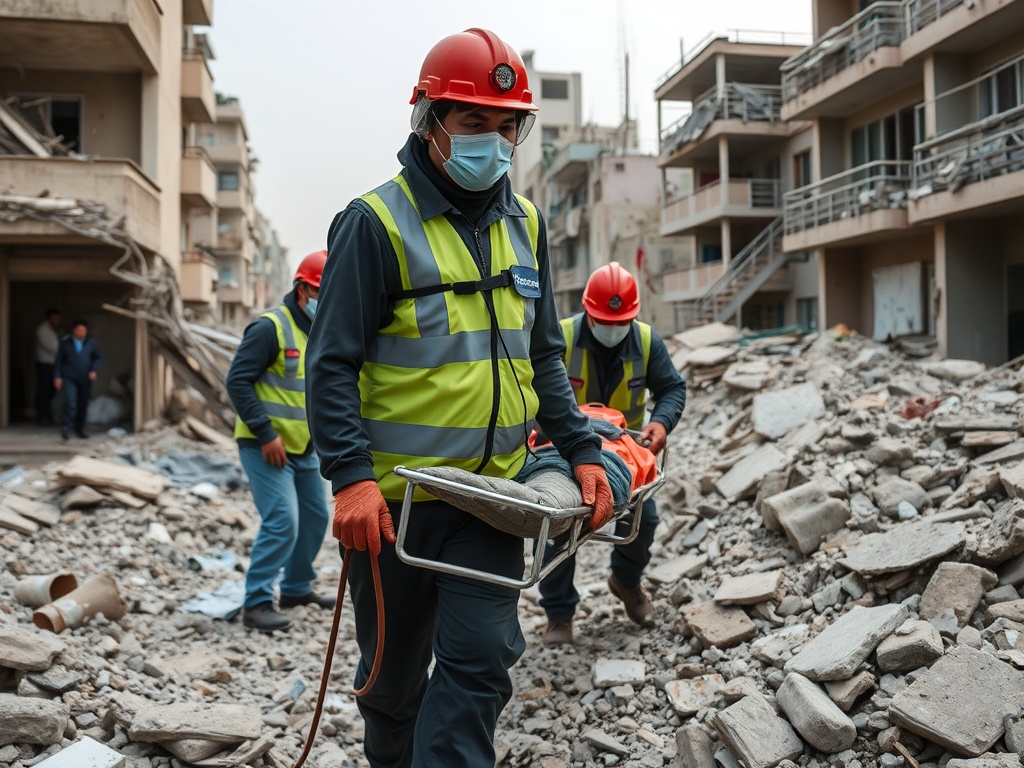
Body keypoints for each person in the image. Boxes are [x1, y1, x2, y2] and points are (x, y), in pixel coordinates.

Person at [306, 28, 614, 768]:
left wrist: (581, 450)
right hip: (395, 503)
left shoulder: (527, 223)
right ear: (430, 121)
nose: (496, 141)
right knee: (393, 686)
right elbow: (331, 363)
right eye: (475, 122)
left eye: (510, 126)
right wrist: (349, 479)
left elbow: (543, 354)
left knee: (480, 663)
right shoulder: (373, 224)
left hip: (493, 498)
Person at [538, 262, 687, 646]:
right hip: (565, 449)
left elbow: (672, 388)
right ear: (588, 311)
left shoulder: (647, 341)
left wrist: (662, 423)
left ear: (633, 315)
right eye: (605, 320)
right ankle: (559, 614)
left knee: (644, 522)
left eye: (621, 322)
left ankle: (626, 583)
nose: (612, 328)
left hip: (626, 455)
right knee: (559, 523)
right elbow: (531, 382)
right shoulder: (561, 336)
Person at [227, 251, 334, 633]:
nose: (327, 300)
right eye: (322, 291)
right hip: (265, 446)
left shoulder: (322, 332)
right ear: (303, 289)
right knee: (282, 521)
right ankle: (256, 602)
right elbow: (237, 382)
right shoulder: (271, 327)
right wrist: (266, 433)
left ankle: (295, 588)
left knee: (317, 517)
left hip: (303, 447)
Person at [53, 320, 101, 440]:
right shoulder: (65, 344)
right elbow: (58, 362)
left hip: (85, 378)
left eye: (84, 330)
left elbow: (97, 358)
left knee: (82, 404)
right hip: (69, 377)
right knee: (70, 401)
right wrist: (57, 377)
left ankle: (79, 429)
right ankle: (66, 427)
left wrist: (93, 370)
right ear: (74, 330)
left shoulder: (91, 342)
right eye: (80, 330)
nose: (82, 333)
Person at [35, 308, 61, 425]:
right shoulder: (43, 330)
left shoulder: (52, 330)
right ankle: (42, 416)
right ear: (49, 318)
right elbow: (53, 348)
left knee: (51, 391)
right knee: (44, 391)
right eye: (55, 317)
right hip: (45, 364)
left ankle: (47, 415)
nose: (57, 320)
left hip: (52, 365)